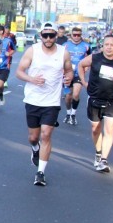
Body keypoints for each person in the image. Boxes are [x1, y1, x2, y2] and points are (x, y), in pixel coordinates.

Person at [15, 22, 73, 186]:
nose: (48, 38)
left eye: (51, 35)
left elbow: (69, 70)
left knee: (46, 134)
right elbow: (19, 72)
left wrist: (68, 77)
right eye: (45, 35)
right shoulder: (32, 50)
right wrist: (31, 79)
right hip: (33, 99)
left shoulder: (63, 52)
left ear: (56, 36)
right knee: (33, 137)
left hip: (52, 101)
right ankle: (35, 148)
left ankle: (40, 172)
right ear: (40, 36)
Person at [77, 34, 113, 173]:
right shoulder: (95, 58)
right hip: (94, 99)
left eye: (112, 45)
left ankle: (104, 160)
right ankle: (98, 153)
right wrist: (84, 82)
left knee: (109, 130)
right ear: (103, 46)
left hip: (112, 101)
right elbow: (81, 65)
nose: (109, 47)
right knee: (96, 129)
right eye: (106, 44)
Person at [62, 26, 91, 125]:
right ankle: (68, 113)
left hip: (79, 73)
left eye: (78, 35)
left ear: (81, 35)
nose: (76, 37)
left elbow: (90, 57)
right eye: (74, 35)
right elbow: (60, 58)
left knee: (76, 94)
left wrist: (86, 67)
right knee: (68, 96)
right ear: (71, 35)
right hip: (67, 73)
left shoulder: (86, 45)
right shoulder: (65, 45)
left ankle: (73, 115)